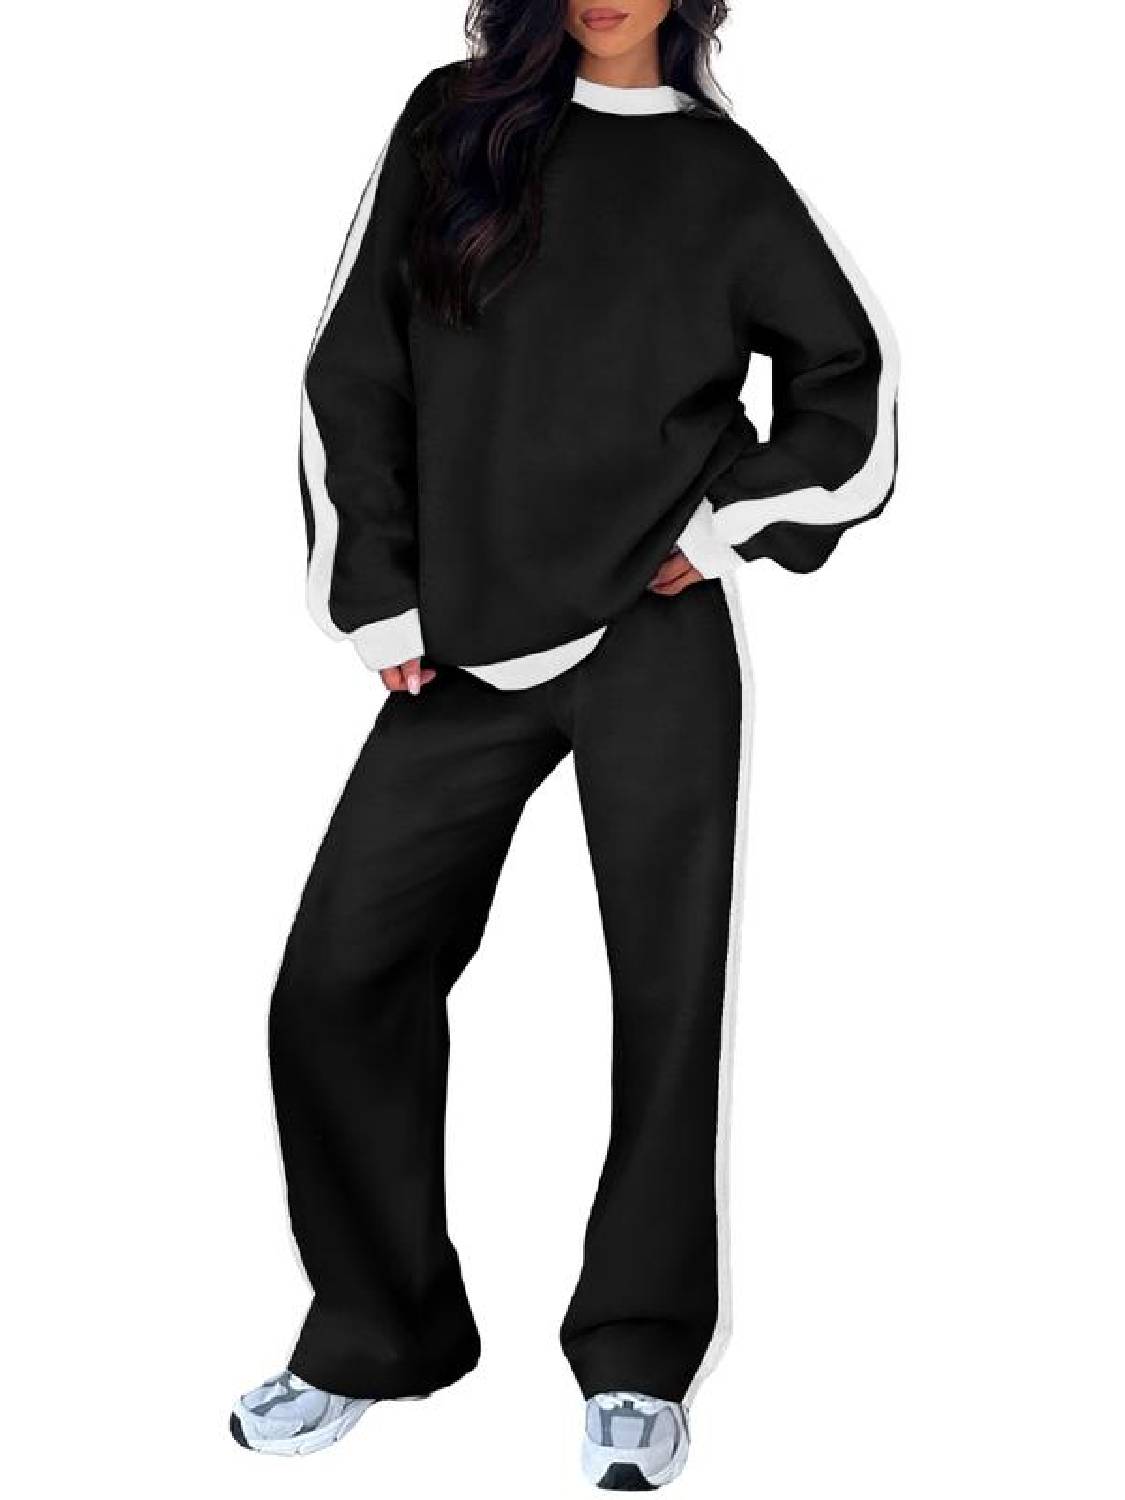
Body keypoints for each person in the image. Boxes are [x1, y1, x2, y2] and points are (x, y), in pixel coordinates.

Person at [230, 0, 898, 1487]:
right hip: (460, 643)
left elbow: (852, 394)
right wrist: (376, 589)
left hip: (653, 638)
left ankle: (639, 1357)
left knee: (665, 997)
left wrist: (720, 528)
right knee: (339, 980)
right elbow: (352, 363)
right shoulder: (453, 120)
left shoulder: (721, 176)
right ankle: (378, 1332)